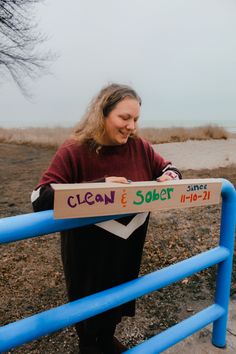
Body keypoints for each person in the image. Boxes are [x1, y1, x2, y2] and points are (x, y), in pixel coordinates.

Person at [31, 83, 182, 354]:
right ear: (102, 114)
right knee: (88, 313)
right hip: (87, 257)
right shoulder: (74, 150)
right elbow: (39, 198)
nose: (131, 127)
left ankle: (107, 339)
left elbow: (170, 169)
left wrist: (166, 180)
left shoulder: (140, 148)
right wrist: (100, 187)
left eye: (135, 119)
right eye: (124, 118)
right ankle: (89, 344)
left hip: (127, 250)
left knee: (117, 303)